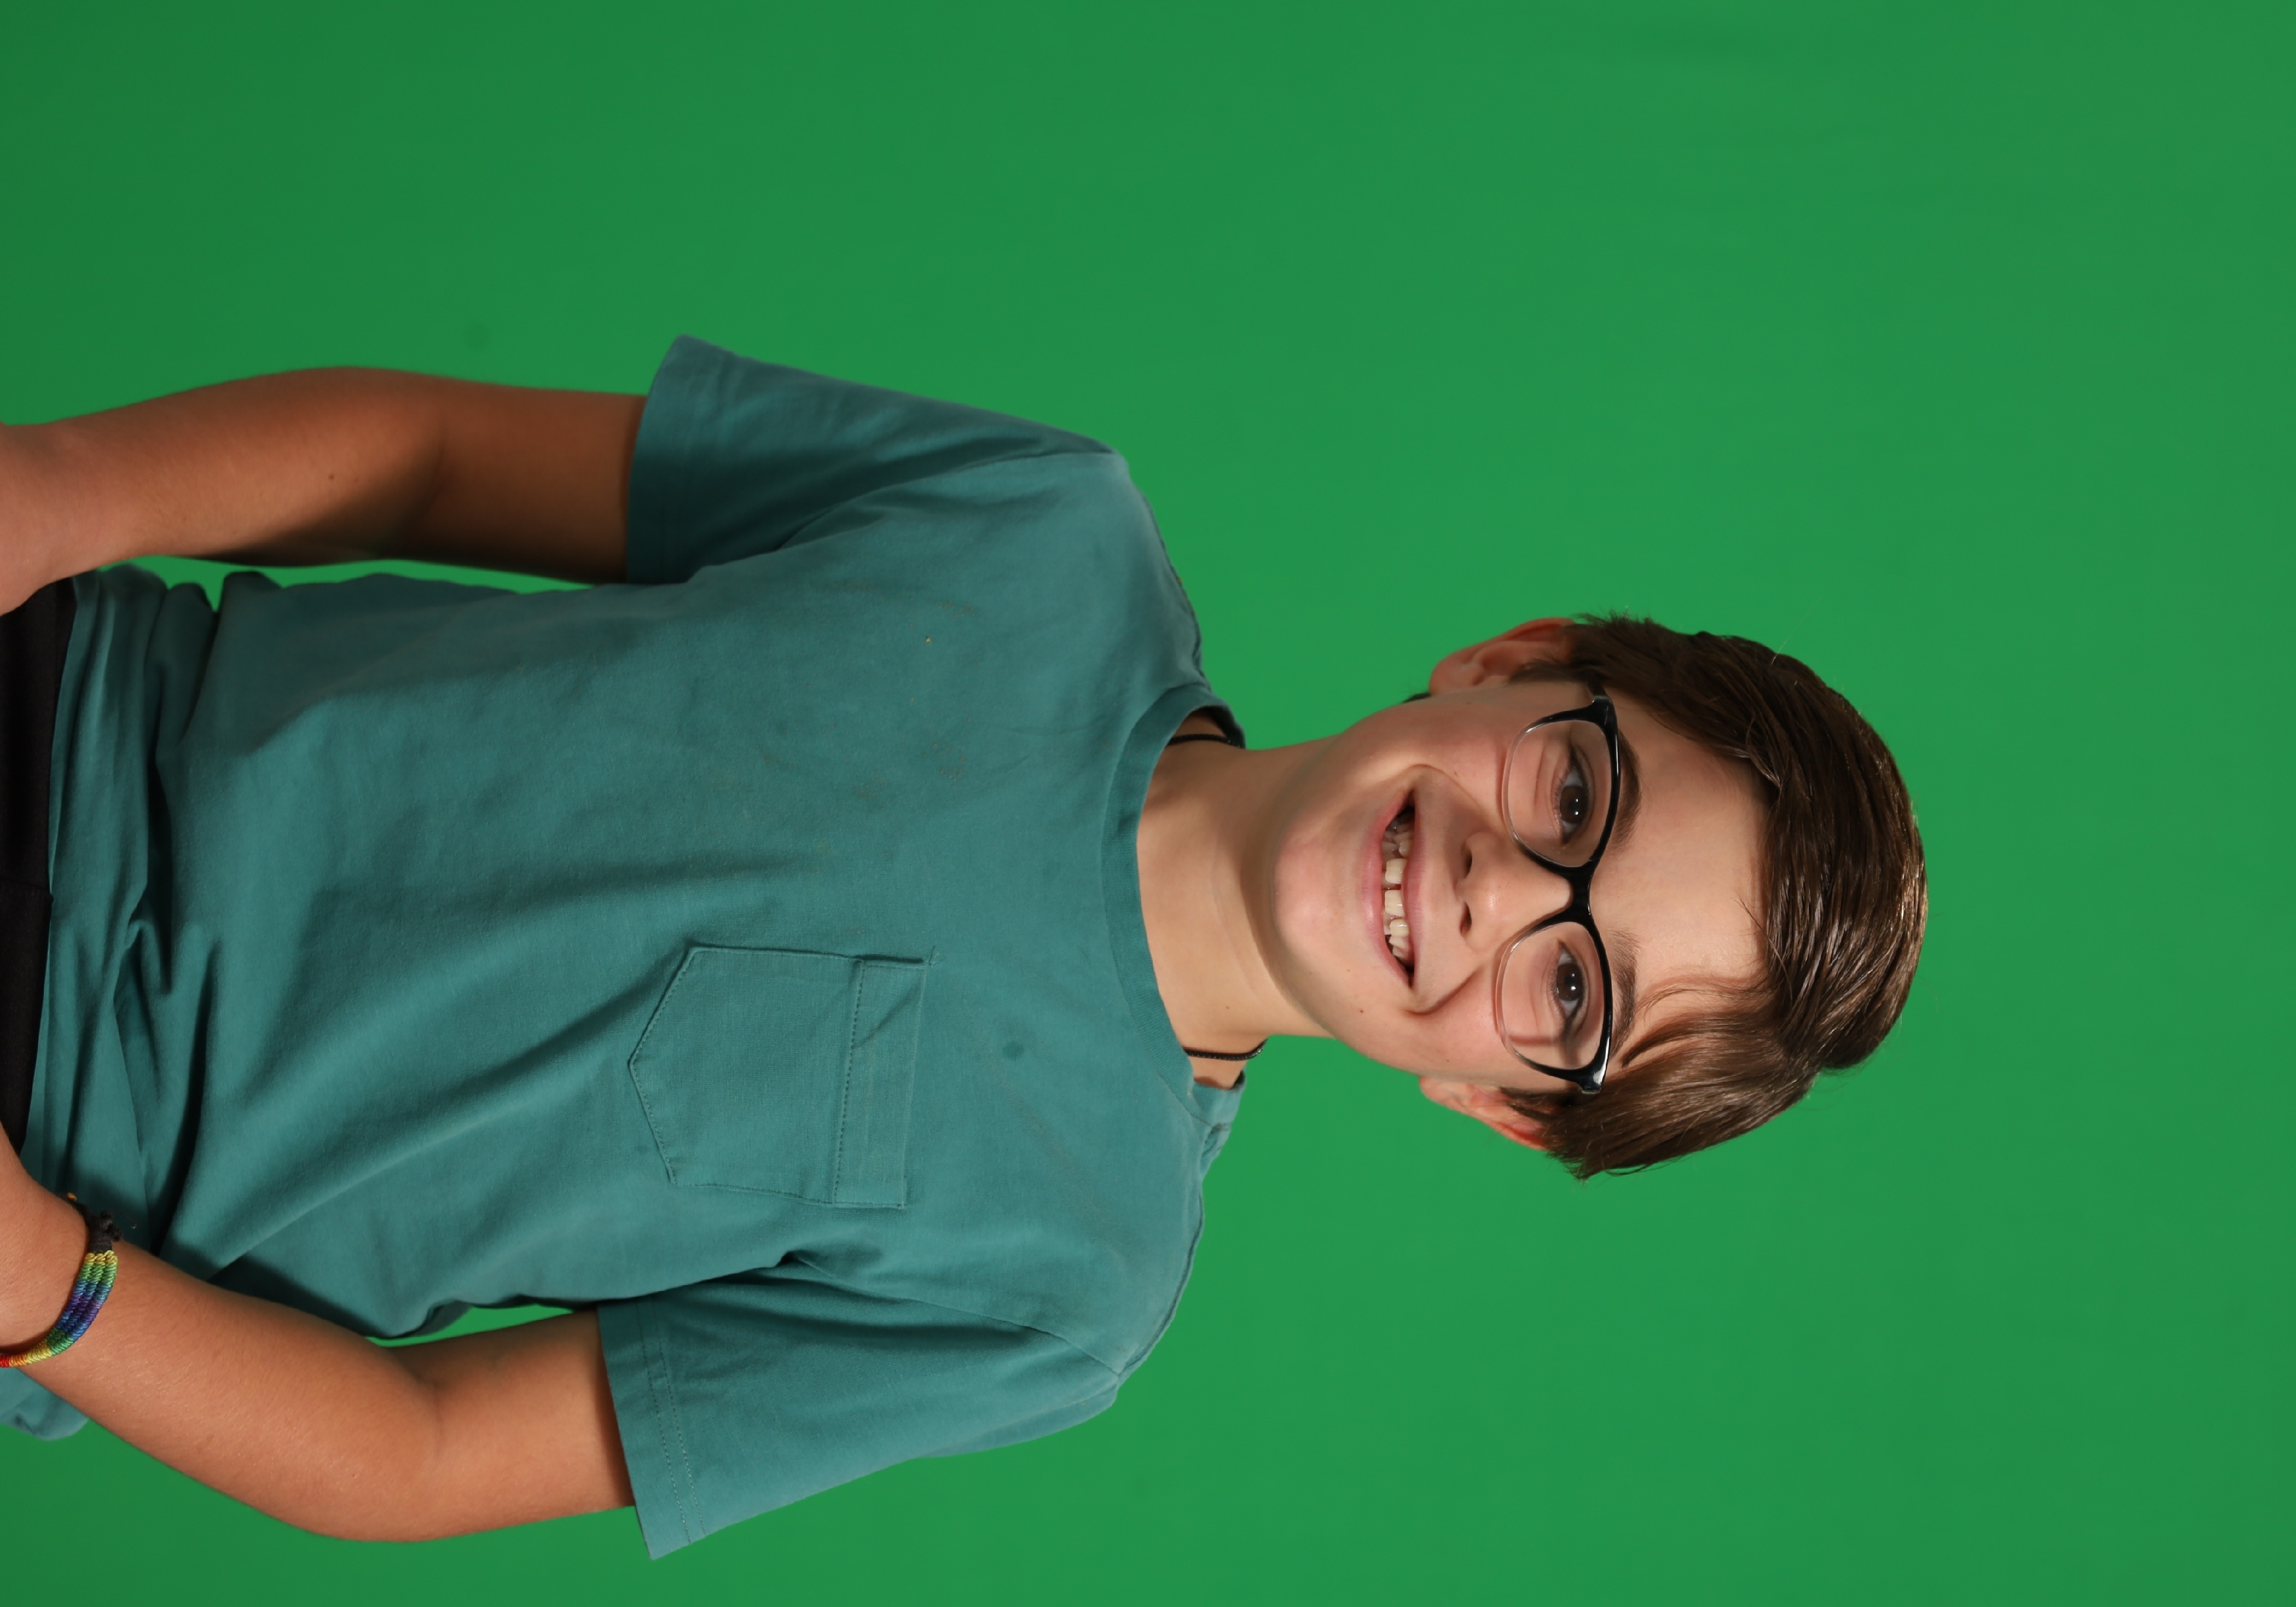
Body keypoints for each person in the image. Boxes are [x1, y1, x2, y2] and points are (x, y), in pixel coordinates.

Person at [0, 339, 1926, 1554]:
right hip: (63, 685)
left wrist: (47, 1291)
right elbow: (433, 454)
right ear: (1516, 662)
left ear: (1506, 1102)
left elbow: (421, 1455)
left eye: (1576, 992)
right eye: (1579, 795)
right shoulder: (1042, 526)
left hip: (51, 1172)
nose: (1511, 888)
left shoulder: (1067, 1289)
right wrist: (57, 489)